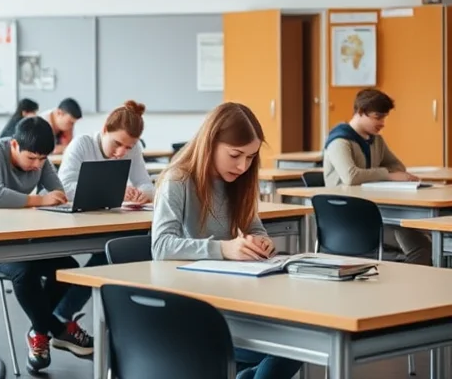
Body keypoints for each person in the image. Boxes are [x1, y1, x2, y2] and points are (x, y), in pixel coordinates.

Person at [151, 102, 301, 379]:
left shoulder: (238, 182)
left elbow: (254, 225)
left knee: (300, 340)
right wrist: (225, 248)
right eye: (235, 155)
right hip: (193, 311)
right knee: (293, 345)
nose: (243, 166)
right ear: (211, 143)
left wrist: (261, 241)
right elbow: (161, 246)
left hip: (234, 301)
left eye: (251, 157)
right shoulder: (178, 179)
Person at [0, 116, 93, 372]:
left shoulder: (40, 159)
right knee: (26, 272)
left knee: (67, 266)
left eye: (42, 159)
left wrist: (53, 196)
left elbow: (58, 192)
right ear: (14, 145)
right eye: (31, 158)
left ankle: (40, 331)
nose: (37, 165)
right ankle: (58, 330)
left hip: (18, 236)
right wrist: (41, 201)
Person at [49, 100, 155, 325]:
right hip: (74, 222)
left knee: (118, 250)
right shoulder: (82, 144)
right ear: (105, 129)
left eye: (128, 147)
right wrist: (114, 190)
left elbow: (147, 184)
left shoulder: (132, 149)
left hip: (109, 223)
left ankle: (65, 316)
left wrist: (143, 194)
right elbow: (63, 188)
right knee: (109, 254)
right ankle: (59, 316)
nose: (121, 152)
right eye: (117, 143)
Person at [322, 88, 431, 265]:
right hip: (348, 218)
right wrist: (387, 175)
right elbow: (351, 176)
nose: (382, 123)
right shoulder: (339, 140)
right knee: (420, 244)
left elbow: (398, 167)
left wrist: (386, 174)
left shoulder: (375, 140)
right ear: (360, 112)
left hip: (375, 209)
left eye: (384, 117)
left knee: (423, 244)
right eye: (377, 117)